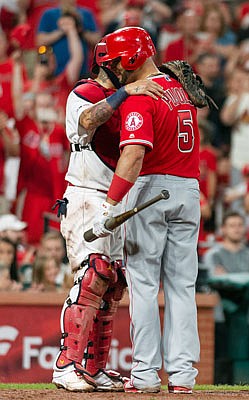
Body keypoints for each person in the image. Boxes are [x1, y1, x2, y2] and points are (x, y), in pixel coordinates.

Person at [91, 26, 201, 394]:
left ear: (134, 56)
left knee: (143, 286)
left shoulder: (143, 95)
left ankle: (145, 375)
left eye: (119, 61)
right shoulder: (179, 88)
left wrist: (109, 204)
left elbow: (134, 154)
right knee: (182, 287)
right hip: (188, 190)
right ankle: (184, 377)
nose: (117, 70)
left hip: (151, 191)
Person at [52, 37, 164, 393]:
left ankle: (94, 368)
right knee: (92, 274)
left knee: (112, 283)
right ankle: (66, 364)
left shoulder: (131, 97)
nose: (127, 69)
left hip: (113, 200)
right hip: (84, 195)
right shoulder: (83, 91)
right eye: (122, 64)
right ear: (110, 65)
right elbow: (87, 121)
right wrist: (126, 92)